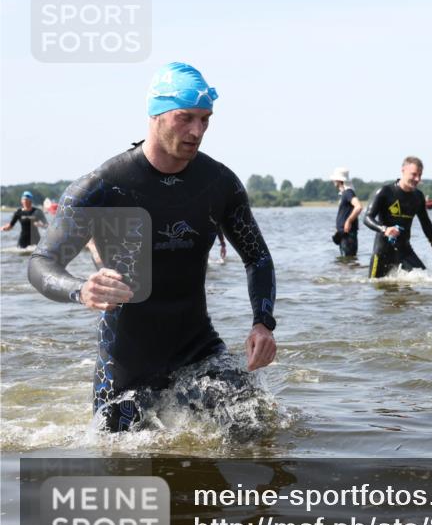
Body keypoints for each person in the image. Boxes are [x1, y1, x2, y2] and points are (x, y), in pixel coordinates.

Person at [28, 62, 277, 432]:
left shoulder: (219, 183)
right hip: (128, 360)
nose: (197, 131)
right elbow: (41, 264)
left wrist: (262, 323)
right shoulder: (102, 186)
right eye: (185, 118)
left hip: (198, 349)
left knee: (256, 427)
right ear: (155, 115)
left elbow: (257, 257)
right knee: (123, 463)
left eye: (205, 120)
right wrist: (82, 289)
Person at [363, 156, 432, 278]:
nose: (417, 179)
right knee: (377, 287)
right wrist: (385, 229)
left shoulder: (418, 196)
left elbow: (425, 222)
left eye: (420, 175)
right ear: (403, 171)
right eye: (414, 174)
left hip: (405, 250)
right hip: (382, 252)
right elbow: (367, 218)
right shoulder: (385, 192)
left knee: (426, 279)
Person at [332, 167, 363, 257]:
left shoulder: (348, 193)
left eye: (335, 179)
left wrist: (349, 221)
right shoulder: (344, 194)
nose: (333, 181)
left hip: (348, 236)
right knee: (346, 263)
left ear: (339, 180)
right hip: (344, 235)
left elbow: (359, 207)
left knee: (347, 262)